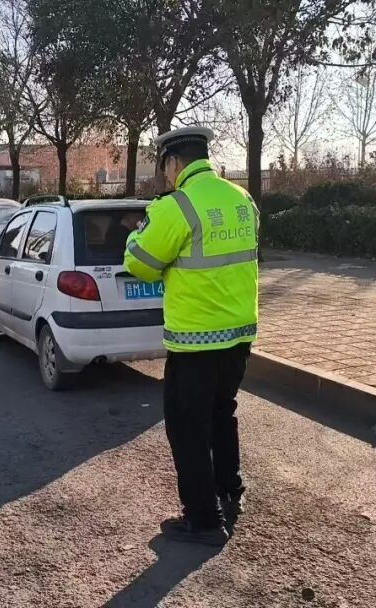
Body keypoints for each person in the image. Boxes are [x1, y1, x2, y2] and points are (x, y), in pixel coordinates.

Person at [123, 126, 259, 546]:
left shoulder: (175, 207)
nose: (164, 174)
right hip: (239, 335)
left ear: (173, 162)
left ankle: (203, 519)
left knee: (187, 427)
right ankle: (228, 489)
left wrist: (133, 234)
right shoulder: (243, 200)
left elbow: (139, 263)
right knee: (222, 413)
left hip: (196, 341)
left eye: (163, 165)